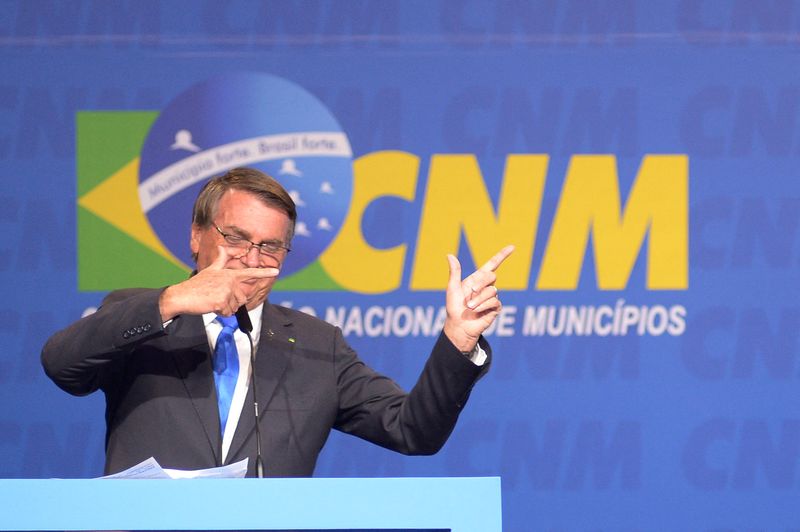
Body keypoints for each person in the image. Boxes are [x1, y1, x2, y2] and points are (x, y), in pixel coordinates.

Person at [41, 166, 514, 478]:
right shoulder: (144, 315)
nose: (250, 258)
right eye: (235, 238)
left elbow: (413, 430)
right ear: (196, 236)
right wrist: (171, 301)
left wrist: (457, 339)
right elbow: (62, 366)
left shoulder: (316, 346)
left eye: (269, 246)